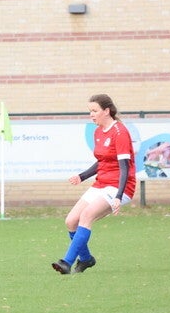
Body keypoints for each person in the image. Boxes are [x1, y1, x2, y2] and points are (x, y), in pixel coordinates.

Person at [53, 93, 136, 275]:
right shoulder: (98, 131)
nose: (91, 114)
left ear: (106, 111)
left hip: (119, 186)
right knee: (71, 221)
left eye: (94, 110)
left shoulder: (120, 132)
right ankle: (86, 259)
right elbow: (103, 161)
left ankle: (66, 262)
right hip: (101, 183)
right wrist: (82, 176)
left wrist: (118, 196)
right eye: (89, 111)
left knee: (86, 215)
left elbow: (125, 167)